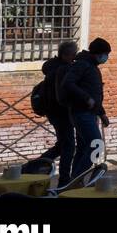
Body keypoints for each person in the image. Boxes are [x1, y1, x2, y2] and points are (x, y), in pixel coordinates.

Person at [61, 38, 111, 183]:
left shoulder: (92, 66)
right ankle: (77, 178)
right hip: (81, 113)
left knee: (83, 148)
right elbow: (68, 83)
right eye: (105, 54)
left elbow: (95, 93)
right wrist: (86, 98)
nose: (106, 57)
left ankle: (75, 179)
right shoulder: (83, 65)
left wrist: (102, 113)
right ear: (97, 53)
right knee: (96, 143)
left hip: (90, 113)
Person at [40, 41, 78, 184]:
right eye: (73, 55)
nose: (74, 58)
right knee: (68, 146)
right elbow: (64, 92)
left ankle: (38, 164)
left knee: (63, 144)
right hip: (61, 111)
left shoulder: (52, 67)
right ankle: (64, 178)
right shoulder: (62, 70)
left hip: (53, 111)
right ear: (66, 54)